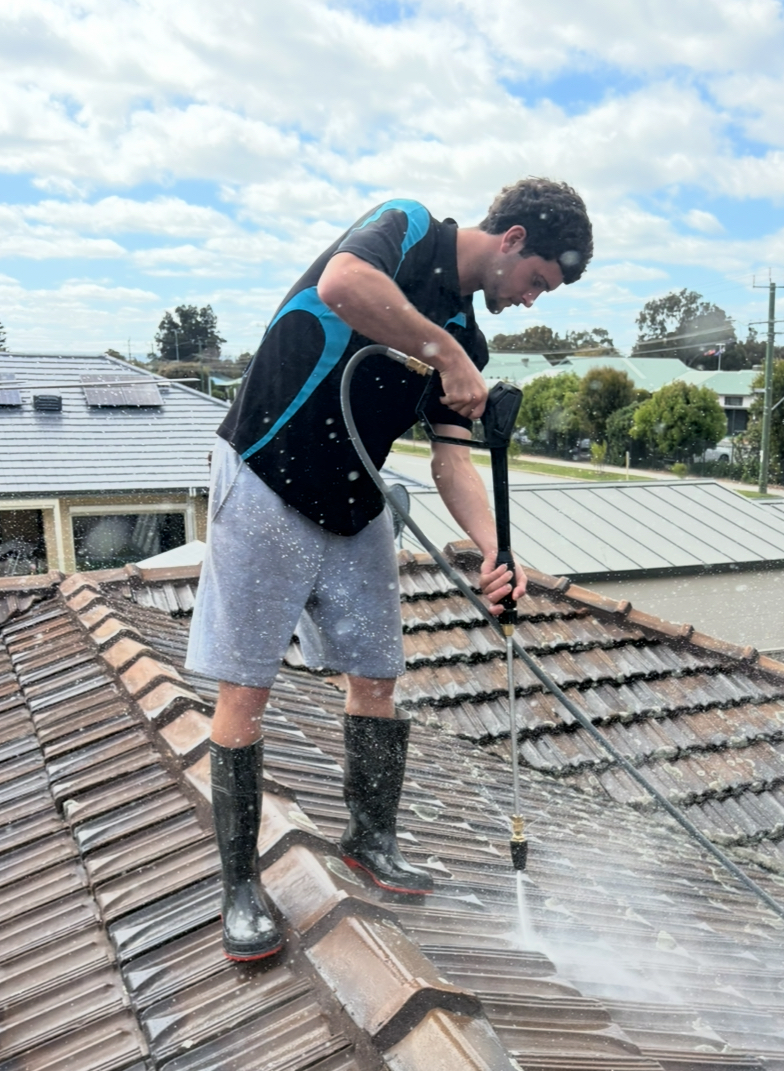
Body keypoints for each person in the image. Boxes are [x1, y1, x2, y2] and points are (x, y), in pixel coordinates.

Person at [185, 178, 594, 961]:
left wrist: (493, 547)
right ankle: (239, 887)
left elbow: (451, 464)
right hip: (267, 474)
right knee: (246, 689)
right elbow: (343, 284)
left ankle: (368, 837)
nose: (534, 299)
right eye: (538, 280)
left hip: (354, 501)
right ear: (510, 241)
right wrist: (437, 351)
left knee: (375, 676)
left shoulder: (469, 345)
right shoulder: (405, 230)